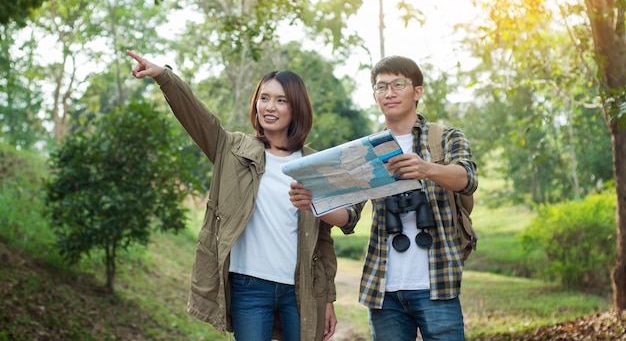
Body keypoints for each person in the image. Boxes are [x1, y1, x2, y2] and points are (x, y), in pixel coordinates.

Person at [127, 50, 338, 341]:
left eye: (281, 100)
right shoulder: (233, 149)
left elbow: (323, 241)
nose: (269, 107)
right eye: (264, 98)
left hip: (300, 289)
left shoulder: (313, 165)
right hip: (250, 288)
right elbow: (196, 116)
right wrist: (164, 77)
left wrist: (328, 298)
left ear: (296, 108)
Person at [290, 55, 478, 341]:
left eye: (397, 84)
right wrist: (313, 203)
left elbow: (468, 179)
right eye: (381, 87)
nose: (388, 93)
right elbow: (349, 217)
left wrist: (426, 169)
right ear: (374, 95)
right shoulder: (366, 149)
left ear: (417, 91)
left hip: (437, 282)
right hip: (384, 289)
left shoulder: (446, 137)